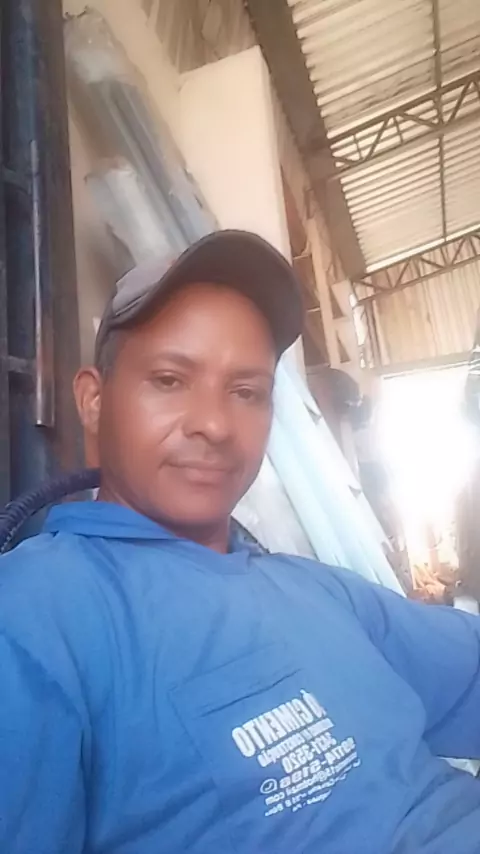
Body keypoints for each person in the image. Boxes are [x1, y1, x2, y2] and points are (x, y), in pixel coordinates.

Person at [1, 230, 480, 854]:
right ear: (93, 400)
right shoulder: (35, 615)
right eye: (170, 380)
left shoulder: (314, 588)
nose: (216, 424)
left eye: (247, 391)